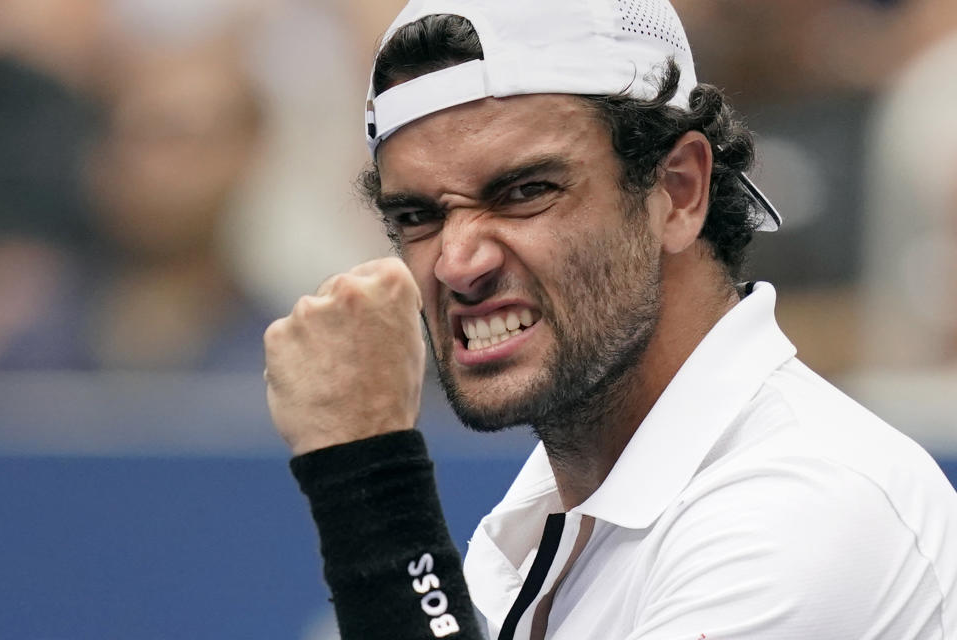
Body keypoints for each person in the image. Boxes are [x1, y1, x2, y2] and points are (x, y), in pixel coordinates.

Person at [262, 1, 957, 639]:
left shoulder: (805, 509)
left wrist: (368, 479)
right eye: (417, 216)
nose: (456, 263)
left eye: (525, 192)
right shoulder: (541, 518)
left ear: (679, 192)